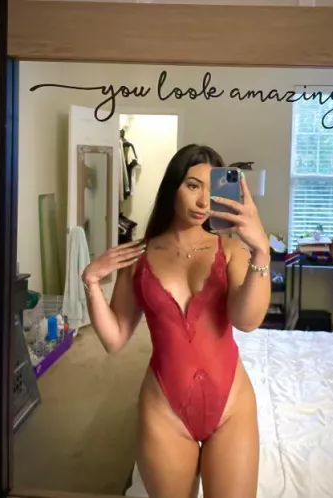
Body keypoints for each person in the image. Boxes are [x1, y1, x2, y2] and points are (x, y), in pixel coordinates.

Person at [82, 144, 271, 498]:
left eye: (211, 190)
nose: (202, 201)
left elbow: (247, 321)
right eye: (192, 185)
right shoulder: (138, 257)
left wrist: (261, 250)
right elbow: (115, 338)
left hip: (231, 407)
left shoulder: (231, 250)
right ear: (173, 186)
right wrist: (91, 282)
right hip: (164, 411)